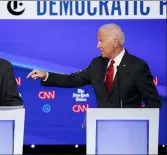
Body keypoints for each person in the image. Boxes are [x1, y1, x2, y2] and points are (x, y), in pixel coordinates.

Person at [27, 23, 161, 109]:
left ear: (115, 42)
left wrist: (139, 118)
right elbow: (72, 80)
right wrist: (46, 75)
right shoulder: (97, 64)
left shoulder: (137, 66)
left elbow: (153, 102)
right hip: (102, 129)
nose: (98, 45)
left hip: (130, 131)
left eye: (101, 41)